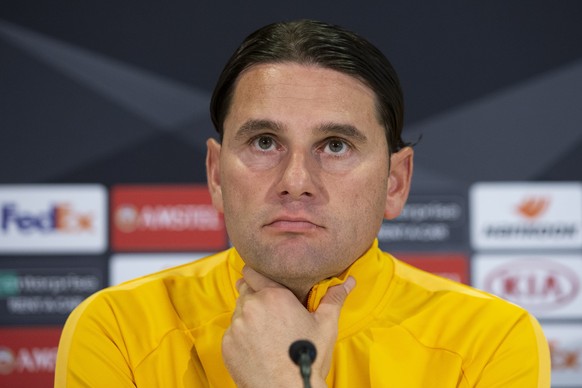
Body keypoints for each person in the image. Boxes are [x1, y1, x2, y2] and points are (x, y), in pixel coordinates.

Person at [55, 19, 551, 387]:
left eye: (335, 145)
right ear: (215, 176)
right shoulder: (117, 329)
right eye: (265, 142)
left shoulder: (490, 340)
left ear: (395, 182)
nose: (295, 181)